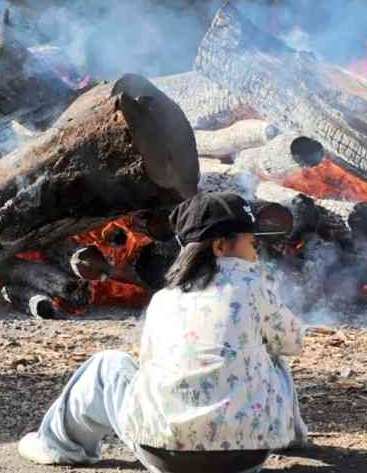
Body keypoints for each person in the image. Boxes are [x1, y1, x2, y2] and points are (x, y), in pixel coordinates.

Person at [17, 192, 307, 473]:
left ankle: (56, 445)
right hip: (244, 459)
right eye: (253, 244)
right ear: (220, 246)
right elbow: (294, 343)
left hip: (163, 458)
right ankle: (292, 437)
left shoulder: (164, 298)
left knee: (107, 365)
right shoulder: (254, 285)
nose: (256, 254)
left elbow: (149, 367)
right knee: (272, 354)